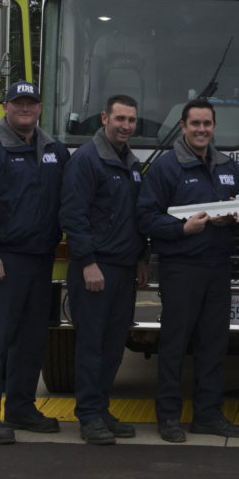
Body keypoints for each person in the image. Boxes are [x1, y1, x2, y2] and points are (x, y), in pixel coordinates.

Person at [0, 80, 69, 445]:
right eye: (18, 103)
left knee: (33, 340)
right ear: (5, 107)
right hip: (0, 261)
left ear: (39, 108)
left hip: (40, 261)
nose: (26, 108)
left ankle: (20, 408)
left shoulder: (54, 150)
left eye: (32, 103)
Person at [136, 99, 239, 443]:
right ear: (183, 127)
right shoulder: (165, 168)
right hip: (181, 268)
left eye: (207, 124)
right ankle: (169, 417)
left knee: (214, 346)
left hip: (218, 268)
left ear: (214, 127)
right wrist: (181, 230)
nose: (202, 130)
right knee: (174, 345)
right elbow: (145, 217)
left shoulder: (228, 167)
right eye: (195, 124)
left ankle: (208, 415)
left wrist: (237, 215)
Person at [60, 94, 149, 445]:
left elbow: (135, 218)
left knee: (113, 346)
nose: (126, 125)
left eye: (131, 120)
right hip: (94, 269)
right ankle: (88, 416)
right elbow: (73, 215)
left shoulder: (132, 163)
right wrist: (87, 262)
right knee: (91, 345)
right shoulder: (86, 160)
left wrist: (141, 257)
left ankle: (101, 409)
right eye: (120, 119)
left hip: (124, 268)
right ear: (104, 118)